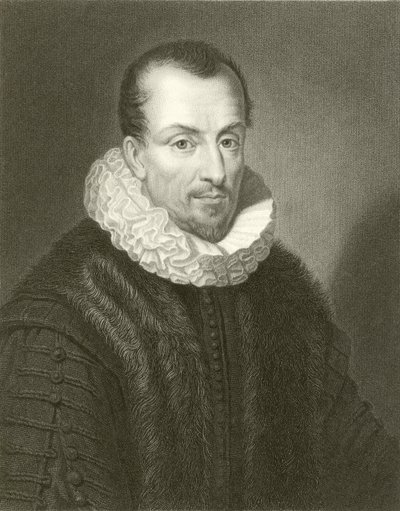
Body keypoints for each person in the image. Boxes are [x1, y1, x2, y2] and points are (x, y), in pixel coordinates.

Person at [0, 40, 398, 511]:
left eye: (228, 141)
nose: (216, 171)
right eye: (183, 143)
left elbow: (373, 475)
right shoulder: (66, 316)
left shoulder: (286, 297)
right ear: (136, 156)